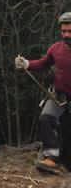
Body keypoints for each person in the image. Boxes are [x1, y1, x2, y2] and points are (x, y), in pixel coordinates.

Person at [15, 12, 71, 174]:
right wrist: (26, 63)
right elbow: (43, 63)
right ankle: (51, 158)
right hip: (59, 98)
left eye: (70, 31)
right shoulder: (56, 49)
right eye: (64, 31)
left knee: (68, 146)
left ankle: (63, 166)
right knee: (46, 118)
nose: (66, 34)